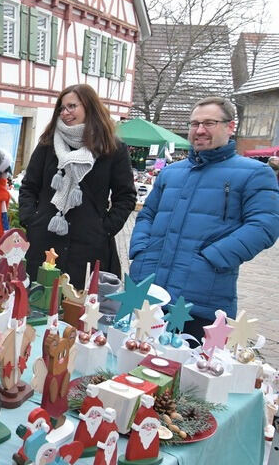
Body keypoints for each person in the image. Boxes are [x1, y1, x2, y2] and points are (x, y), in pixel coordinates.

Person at [129, 96, 279, 339]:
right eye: (194, 124)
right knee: (133, 360)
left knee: (189, 371)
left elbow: (265, 225)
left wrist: (212, 258)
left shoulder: (255, 173)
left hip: (201, 297)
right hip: (148, 288)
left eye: (209, 123)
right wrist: (141, 248)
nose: (199, 130)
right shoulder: (171, 173)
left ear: (230, 127)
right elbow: (147, 214)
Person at [18, 84, 136, 287]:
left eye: (72, 106)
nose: (65, 113)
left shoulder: (112, 148)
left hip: (89, 246)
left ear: (89, 107)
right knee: (39, 301)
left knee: (80, 308)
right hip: (44, 240)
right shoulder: (48, 144)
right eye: (61, 108)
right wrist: (30, 219)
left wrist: (104, 229)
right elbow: (29, 186)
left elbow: (125, 197)